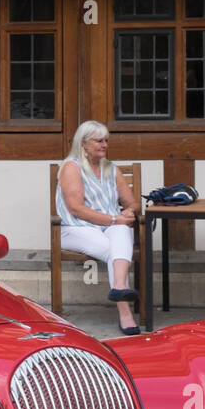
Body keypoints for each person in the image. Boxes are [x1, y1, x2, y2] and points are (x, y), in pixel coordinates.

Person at [56, 120, 140, 334]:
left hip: (108, 225)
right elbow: (76, 209)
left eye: (106, 141)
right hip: (76, 228)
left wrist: (129, 211)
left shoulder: (111, 169)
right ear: (84, 143)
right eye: (99, 141)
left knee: (122, 232)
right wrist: (113, 219)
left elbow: (132, 202)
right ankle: (125, 312)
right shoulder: (71, 167)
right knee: (117, 250)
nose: (104, 145)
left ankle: (119, 288)